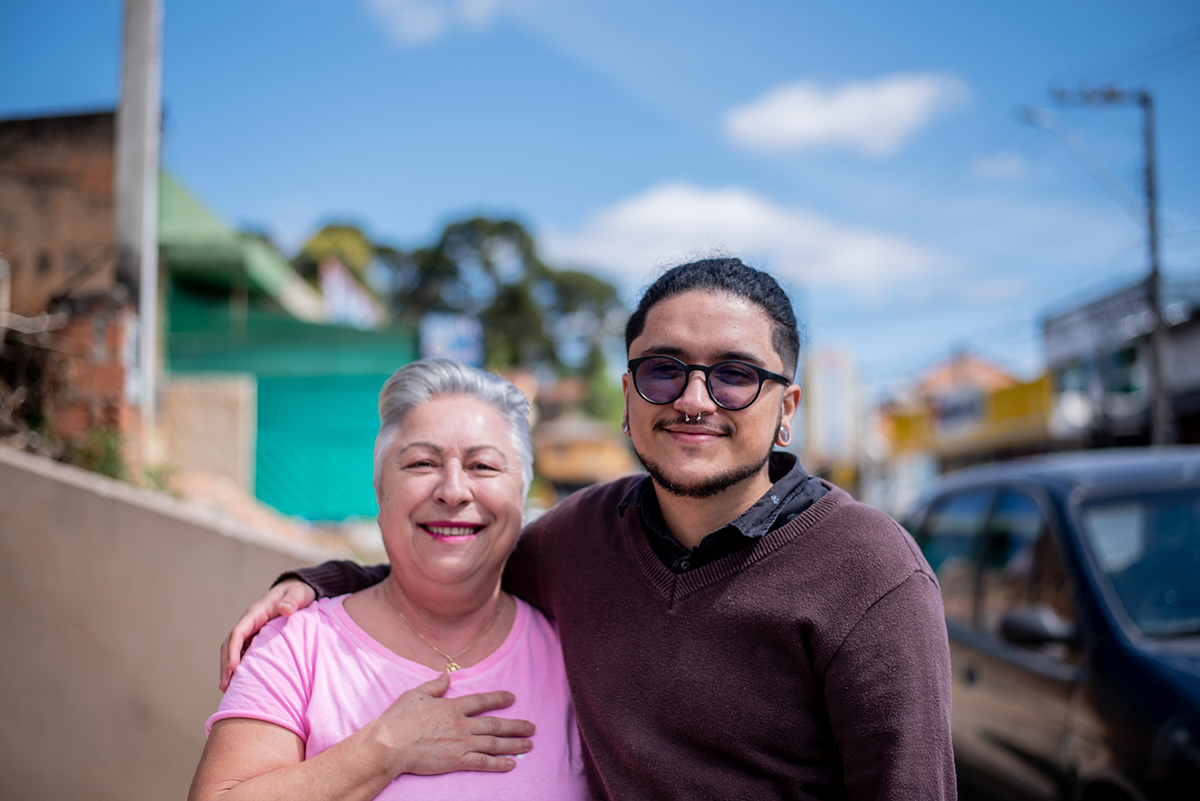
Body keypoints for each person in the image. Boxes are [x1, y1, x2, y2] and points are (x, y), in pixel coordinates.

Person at [221, 258, 956, 800]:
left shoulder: (870, 570)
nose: (695, 398)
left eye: (734, 374)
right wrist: (320, 583)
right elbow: (454, 553)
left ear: (787, 404)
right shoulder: (579, 537)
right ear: (629, 396)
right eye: (664, 370)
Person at [191, 359, 587, 801]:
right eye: (421, 463)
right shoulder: (296, 643)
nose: (453, 490)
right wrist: (382, 750)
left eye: (483, 467)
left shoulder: (576, 654)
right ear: (380, 491)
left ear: (521, 496)